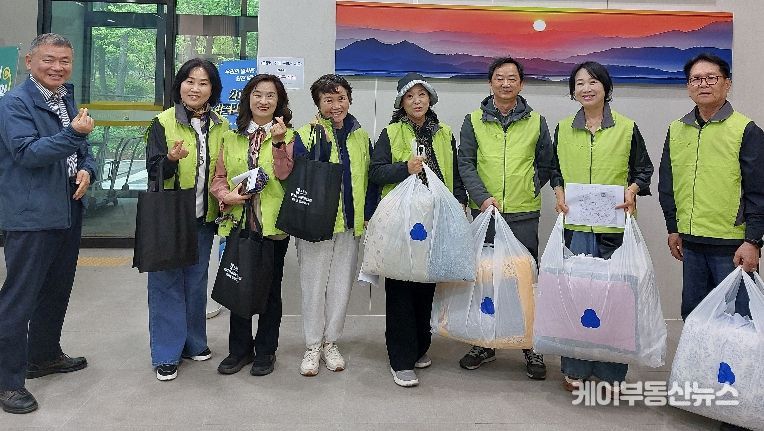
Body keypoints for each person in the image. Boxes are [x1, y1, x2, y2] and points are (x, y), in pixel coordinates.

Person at [658, 54, 763, 431]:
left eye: (711, 78)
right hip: (692, 242)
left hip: (731, 246)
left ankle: (736, 405)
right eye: (696, 79)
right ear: (688, 86)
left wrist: (753, 240)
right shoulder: (677, 129)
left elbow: (759, 190)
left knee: (735, 327)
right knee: (695, 319)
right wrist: (673, 227)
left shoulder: (745, 129)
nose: (703, 84)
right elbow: (667, 182)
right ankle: (701, 391)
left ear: (726, 83)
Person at [0, 33, 94, 414]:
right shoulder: (14, 103)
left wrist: (87, 169)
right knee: (19, 297)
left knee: (56, 289)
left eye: (64, 61)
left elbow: (83, 149)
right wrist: (73, 134)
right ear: (29, 62)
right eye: (49, 60)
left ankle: (43, 355)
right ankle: (7, 382)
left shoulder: (64, 97)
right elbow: (27, 153)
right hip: (31, 215)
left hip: (67, 207)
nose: (58, 67)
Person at [550, 61, 653, 393]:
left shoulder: (627, 127)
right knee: (577, 297)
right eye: (579, 83)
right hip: (577, 228)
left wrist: (632, 190)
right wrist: (559, 191)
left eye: (593, 82)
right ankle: (575, 368)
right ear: (573, 91)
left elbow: (644, 170)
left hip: (614, 228)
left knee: (615, 300)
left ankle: (611, 372)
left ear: (606, 88)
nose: (586, 88)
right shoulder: (563, 128)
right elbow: (554, 170)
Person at [370, 72, 467, 387]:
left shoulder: (444, 133)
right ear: (401, 102)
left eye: (422, 95)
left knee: (426, 284)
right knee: (401, 286)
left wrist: (461, 203)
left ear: (430, 99)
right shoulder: (390, 132)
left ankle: (420, 346)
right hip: (402, 222)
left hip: (435, 219)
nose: (416, 101)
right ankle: (400, 359)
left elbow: (455, 174)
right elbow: (375, 172)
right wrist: (405, 168)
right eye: (410, 96)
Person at [456, 56, 551, 380]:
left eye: (512, 78)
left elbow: (546, 163)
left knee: (525, 279)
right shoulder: (473, 120)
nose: (506, 83)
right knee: (485, 278)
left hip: (523, 212)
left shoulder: (537, 121)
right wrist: (481, 198)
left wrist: (531, 186)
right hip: (486, 213)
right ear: (490, 82)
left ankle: (530, 345)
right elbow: (465, 163)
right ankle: (484, 342)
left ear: (521, 83)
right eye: (500, 77)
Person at [288, 74, 379, 376]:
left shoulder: (360, 136)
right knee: (313, 287)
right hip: (316, 225)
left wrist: (367, 213)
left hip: (350, 225)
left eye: (341, 98)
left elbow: (369, 178)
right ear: (318, 103)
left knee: (341, 287)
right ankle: (313, 345)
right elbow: (298, 176)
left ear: (349, 100)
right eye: (328, 100)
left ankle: (331, 342)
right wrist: (320, 143)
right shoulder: (305, 134)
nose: (336, 105)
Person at [145, 58, 229, 381]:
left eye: (203, 83)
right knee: (166, 284)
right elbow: (152, 170)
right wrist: (169, 159)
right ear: (179, 85)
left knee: (195, 282)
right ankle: (166, 353)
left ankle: (193, 342)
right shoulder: (163, 122)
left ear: (213, 89)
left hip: (204, 217)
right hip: (170, 216)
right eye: (189, 81)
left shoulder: (221, 125)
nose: (195, 88)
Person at [211, 74, 298, 377]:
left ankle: (266, 350)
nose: (263, 100)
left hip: (272, 227)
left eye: (270, 95)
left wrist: (278, 142)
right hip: (238, 224)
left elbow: (286, 175)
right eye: (257, 94)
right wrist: (226, 196)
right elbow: (218, 178)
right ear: (247, 98)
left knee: (270, 292)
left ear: (279, 101)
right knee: (238, 286)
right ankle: (239, 350)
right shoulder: (231, 135)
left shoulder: (290, 136)